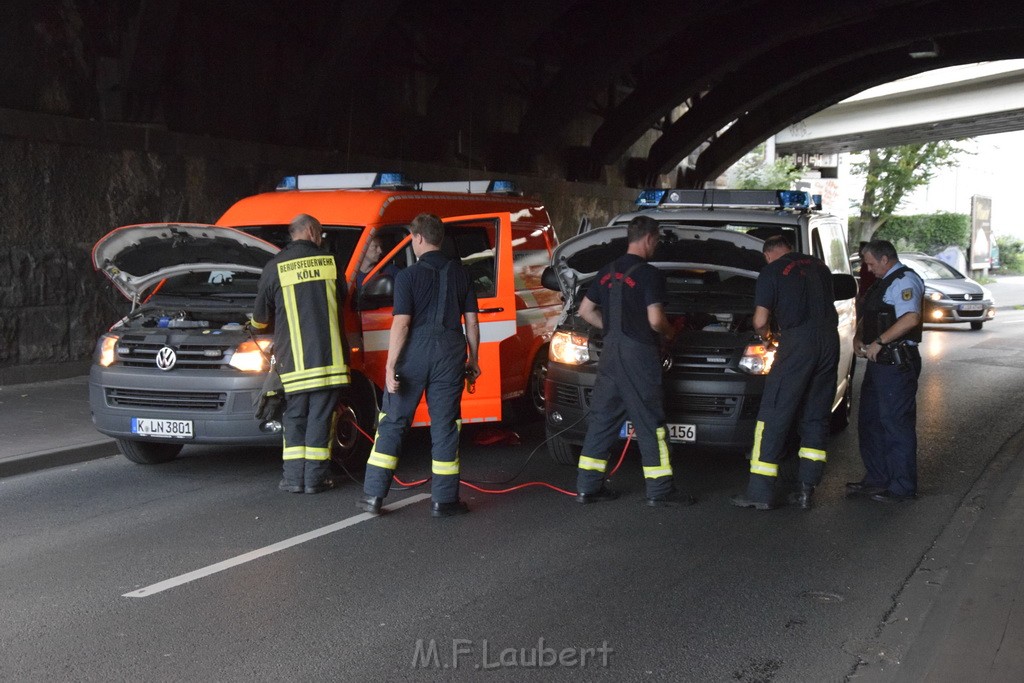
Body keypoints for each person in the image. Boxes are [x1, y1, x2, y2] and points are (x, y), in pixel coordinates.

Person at [356, 213, 481, 518]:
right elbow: (472, 322)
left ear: (420, 239)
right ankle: (444, 501)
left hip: (415, 353)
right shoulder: (462, 275)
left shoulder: (407, 277)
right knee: (446, 425)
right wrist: (473, 359)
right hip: (451, 352)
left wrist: (390, 365)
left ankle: (373, 496)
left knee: (394, 421)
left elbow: (401, 324)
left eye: (412, 237)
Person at [574, 214, 692, 507]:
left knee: (602, 420)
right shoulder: (649, 274)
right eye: (657, 241)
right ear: (650, 238)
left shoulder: (606, 271)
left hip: (610, 354)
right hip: (639, 355)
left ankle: (587, 487)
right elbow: (655, 320)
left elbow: (585, 311)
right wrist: (671, 332)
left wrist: (613, 326)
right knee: (650, 422)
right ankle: (661, 491)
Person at [730, 236, 839, 511]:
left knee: (773, 414)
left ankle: (760, 492)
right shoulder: (820, 267)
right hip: (829, 342)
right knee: (815, 415)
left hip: (797, 344)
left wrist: (766, 339)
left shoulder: (772, 270)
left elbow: (759, 320)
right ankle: (805, 491)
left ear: (768, 255)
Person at [251, 213, 349, 494]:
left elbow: (260, 319)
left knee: (294, 417)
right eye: (320, 233)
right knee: (320, 418)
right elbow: (342, 298)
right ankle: (316, 479)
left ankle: (294, 479)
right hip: (329, 362)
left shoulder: (274, 267)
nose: (322, 238)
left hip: (292, 363)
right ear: (310, 231)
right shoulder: (330, 262)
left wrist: (251, 325)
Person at [848, 239, 924, 503]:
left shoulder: (904, 281)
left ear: (884, 259)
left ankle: (902, 487)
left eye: (870, 263)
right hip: (879, 361)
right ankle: (877, 479)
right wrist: (859, 337)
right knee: (870, 422)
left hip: (896, 361)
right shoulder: (883, 282)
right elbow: (870, 315)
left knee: (895, 424)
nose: (868, 269)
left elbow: (910, 318)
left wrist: (880, 342)